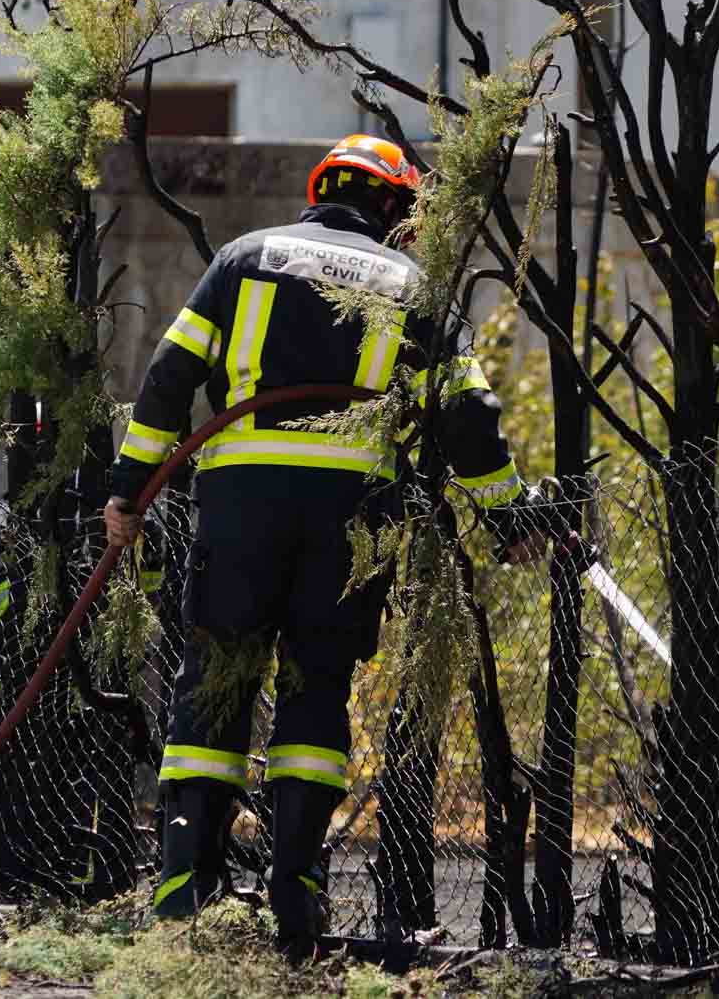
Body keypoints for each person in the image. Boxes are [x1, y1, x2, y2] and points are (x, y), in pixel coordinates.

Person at [100, 134, 578, 958]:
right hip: (349, 525)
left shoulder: (247, 257)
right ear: (394, 207)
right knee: (315, 697)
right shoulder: (413, 285)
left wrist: (129, 490)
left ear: (323, 189)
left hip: (240, 509)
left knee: (215, 683)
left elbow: (169, 375)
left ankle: (183, 896)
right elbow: (468, 415)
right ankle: (296, 898)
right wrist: (509, 520)